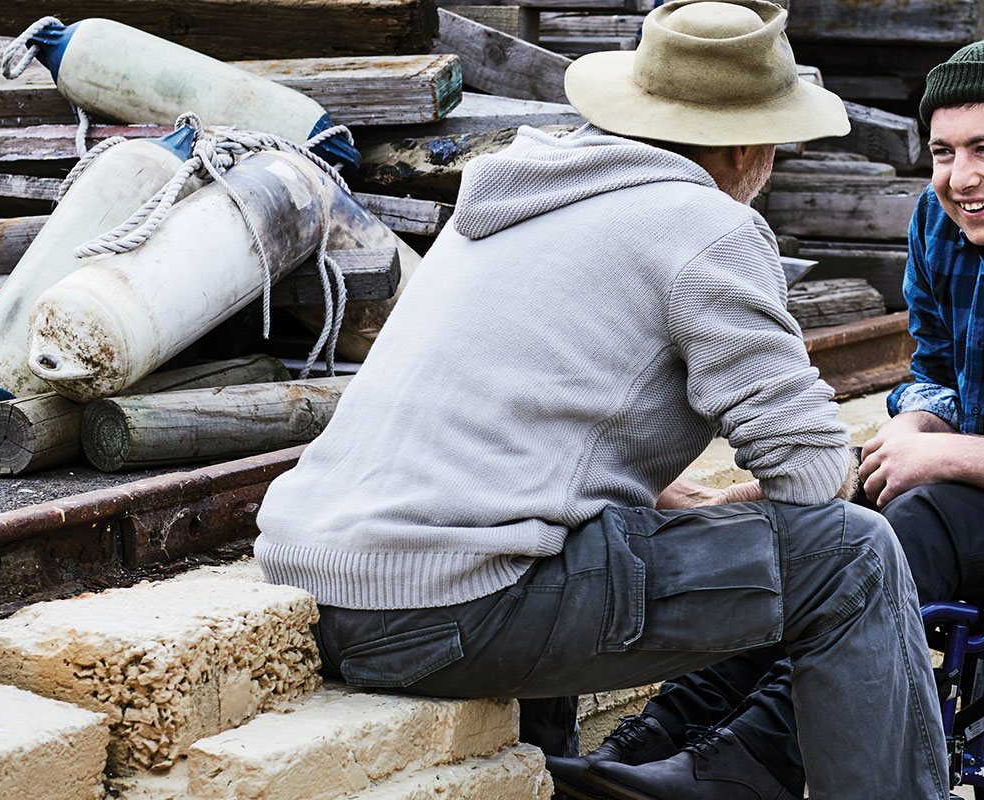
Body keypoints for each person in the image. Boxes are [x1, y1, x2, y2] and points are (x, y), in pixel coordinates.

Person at [250, 2, 948, 799]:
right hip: (444, 612)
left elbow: (520, 406)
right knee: (854, 555)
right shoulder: (705, 224)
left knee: (592, 532)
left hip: (325, 590)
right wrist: (748, 497)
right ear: (751, 149)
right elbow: (811, 471)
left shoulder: (512, 198)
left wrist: (642, 492)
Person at [562, 40, 984, 799]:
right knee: (810, 522)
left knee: (898, 522)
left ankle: (747, 766)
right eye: (943, 152)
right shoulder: (942, 223)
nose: (960, 178)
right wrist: (920, 420)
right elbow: (936, 370)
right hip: (978, 488)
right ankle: (661, 735)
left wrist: (952, 457)